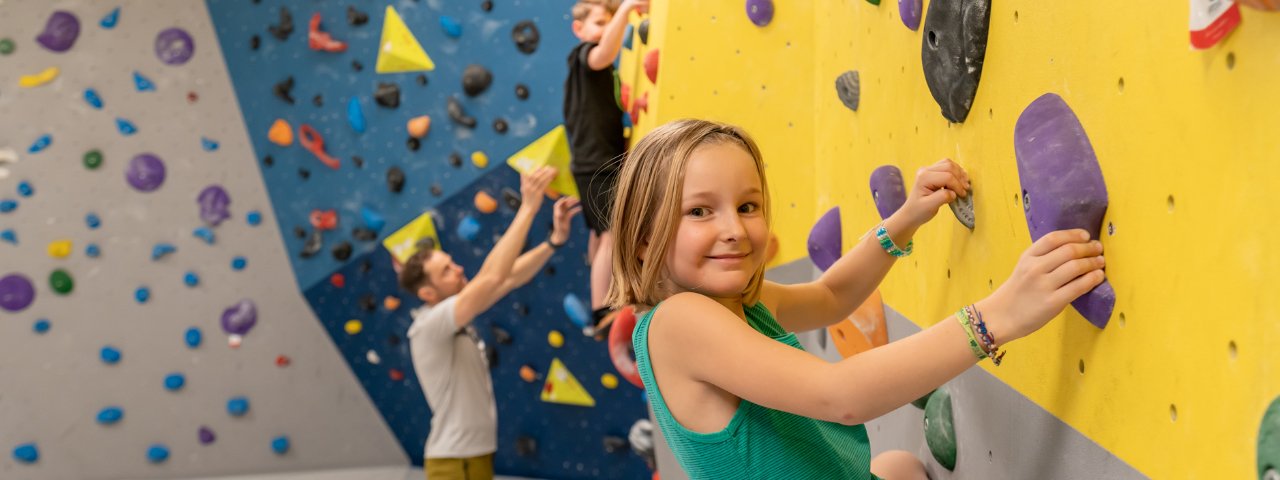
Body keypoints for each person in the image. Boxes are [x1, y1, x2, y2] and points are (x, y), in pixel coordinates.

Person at [606, 119, 1107, 479]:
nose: (734, 229)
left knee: (903, 465)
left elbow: (830, 296)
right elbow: (838, 397)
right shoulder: (679, 322)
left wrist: (904, 219)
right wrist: (997, 316)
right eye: (699, 212)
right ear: (645, 239)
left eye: (747, 205)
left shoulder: (738, 302)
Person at [400, 167, 581, 480]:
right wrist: (528, 207)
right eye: (445, 271)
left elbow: (507, 279)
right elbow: (493, 277)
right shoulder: (429, 325)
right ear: (427, 293)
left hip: (471, 457)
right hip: (456, 463)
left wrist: (553, 242)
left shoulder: (452, 318)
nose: (457, 269)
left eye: (451, 263)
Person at [563, 0, 648, 334]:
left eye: (609, 23)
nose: (605, 30)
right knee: (612, 234)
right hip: (596, 163)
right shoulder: (584, 56)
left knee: (602, 236)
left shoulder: (598, 70)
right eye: (600, 23)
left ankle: (605, 300)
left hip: (596, 161)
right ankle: (601, 310)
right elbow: (602, 55)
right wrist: (626, 10)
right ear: (579, 29)